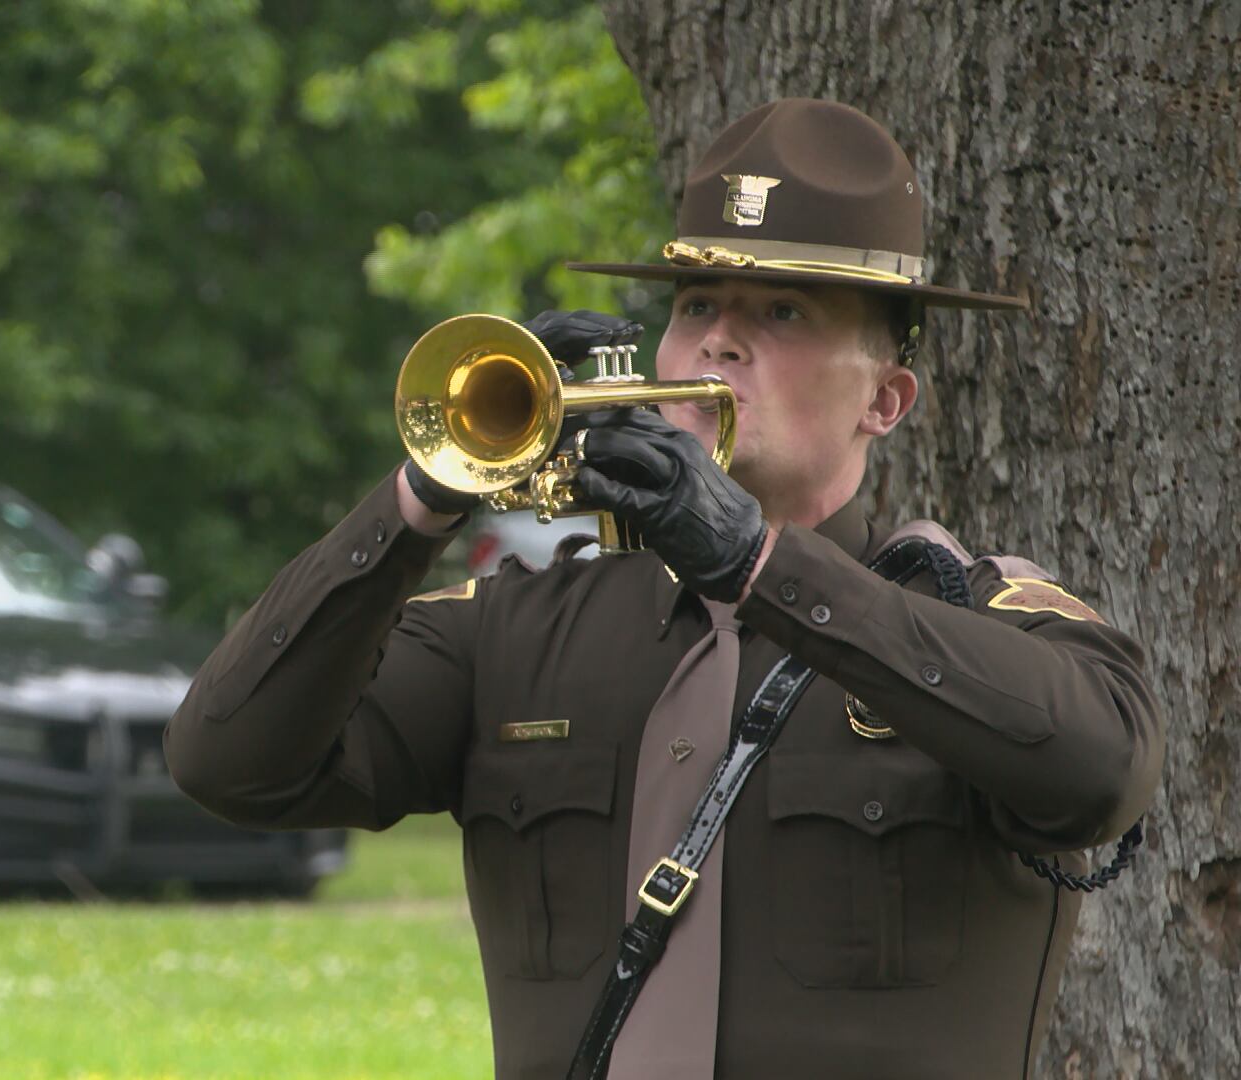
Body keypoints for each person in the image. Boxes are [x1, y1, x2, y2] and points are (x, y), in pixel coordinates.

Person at [165, 98, 1162, 1079]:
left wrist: (759, 567)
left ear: (885, 399)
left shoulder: (976, 616)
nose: (719, 344)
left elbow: (1100, 772)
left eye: (782, 311)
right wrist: (426, 496)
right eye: (695, 309)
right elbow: (230, 761)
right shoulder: (516, 628)